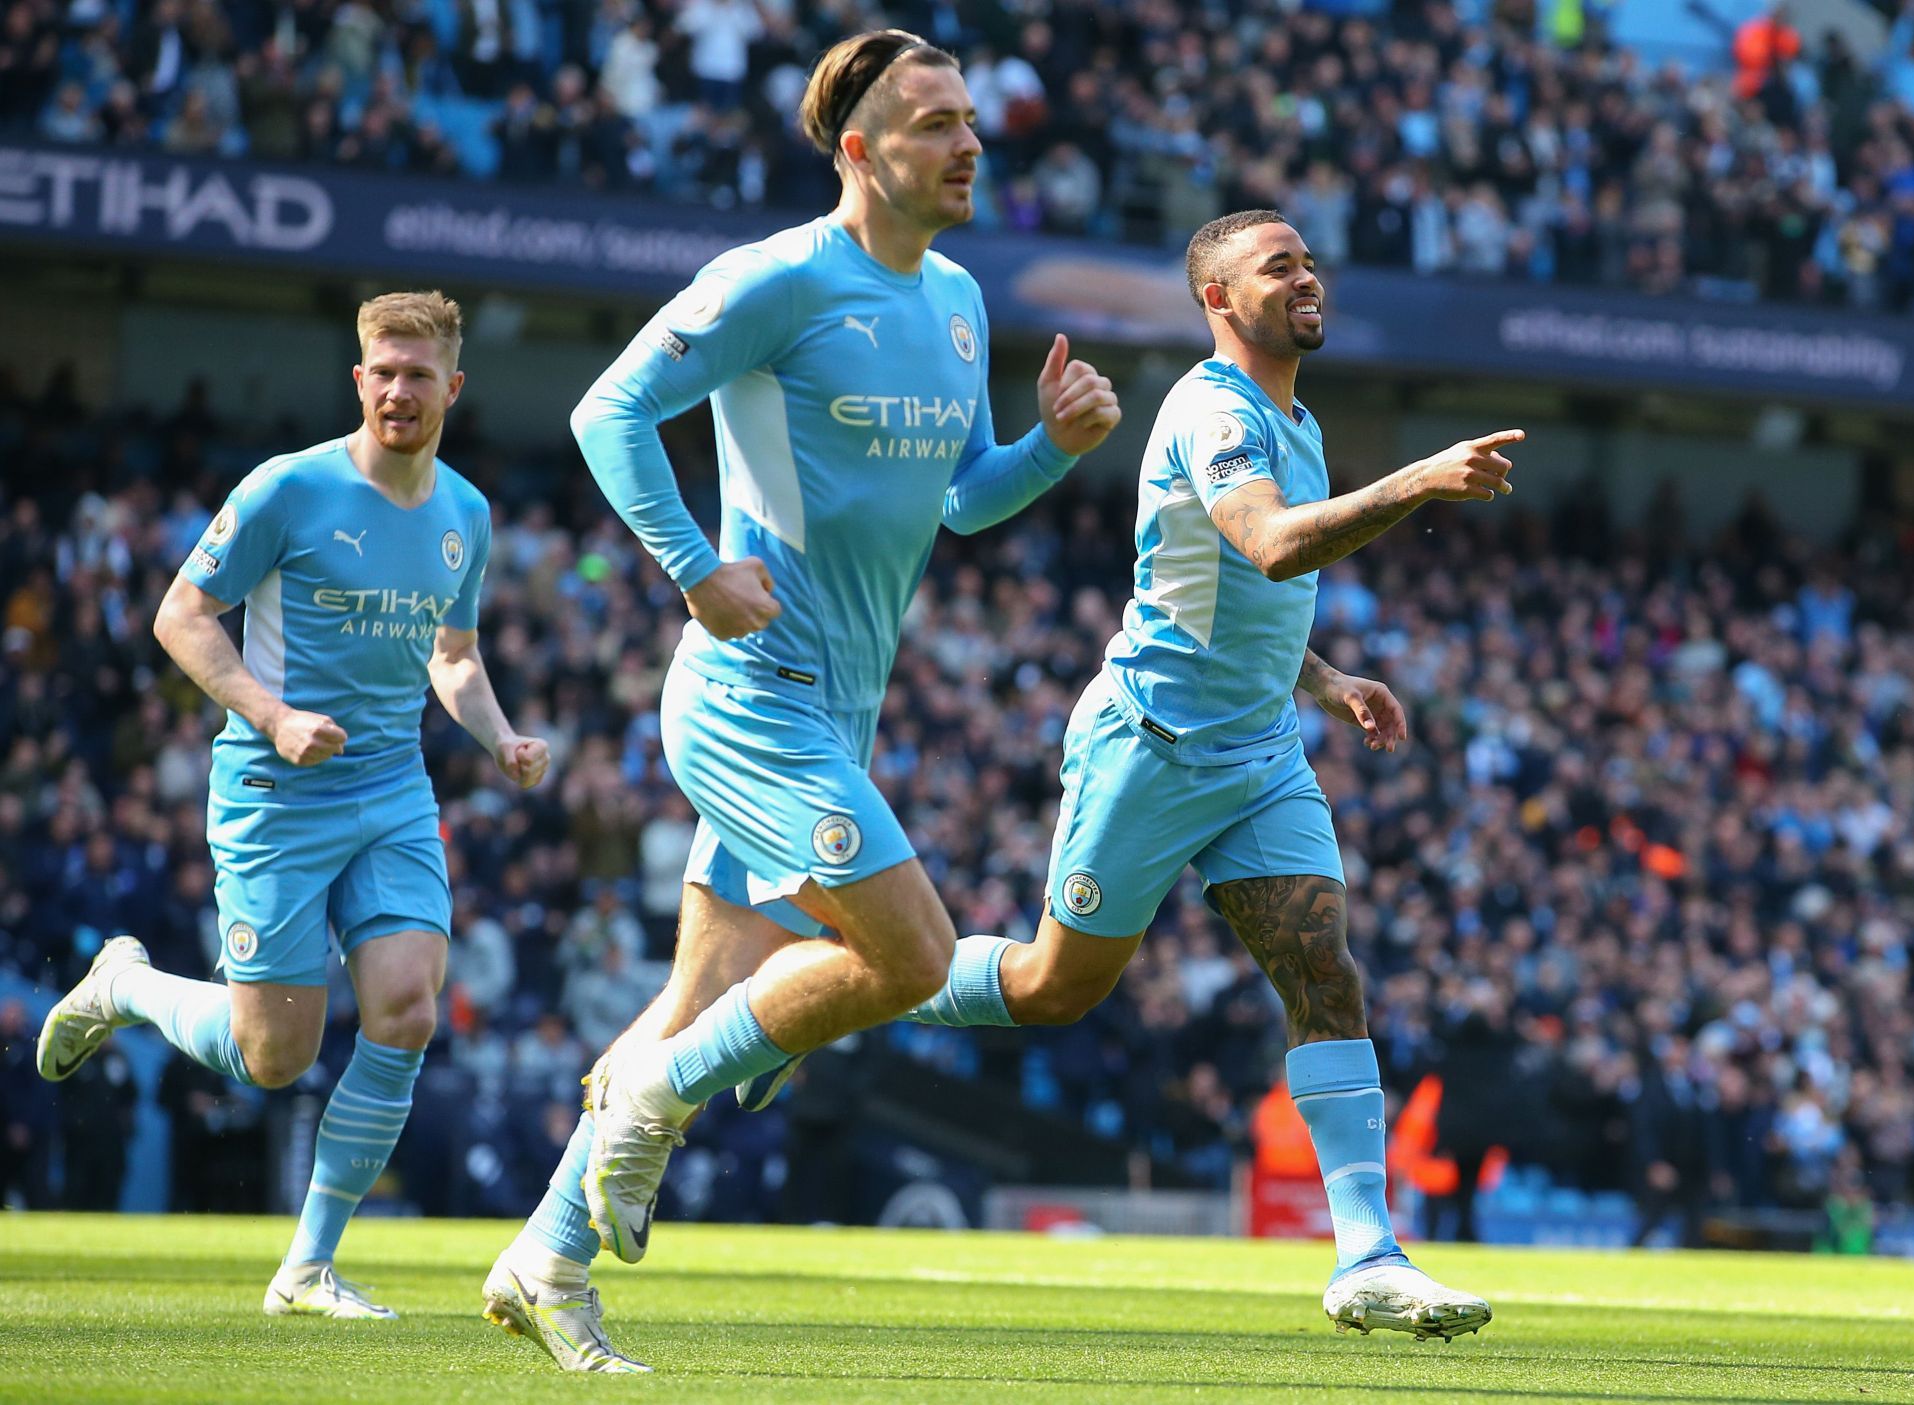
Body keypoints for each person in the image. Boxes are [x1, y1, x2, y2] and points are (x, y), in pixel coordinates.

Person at [480, 28, 1119, 1374]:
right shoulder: (779, 278)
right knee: (899, 955)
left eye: (970, 122)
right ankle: (649, 1098)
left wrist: (1049, 450)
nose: (968, 143)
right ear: (859, 148)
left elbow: (958, 501)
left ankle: (544, 1256)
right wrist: (697, 569)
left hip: (838, 711)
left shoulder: (955, 301)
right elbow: (612, 411)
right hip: (745, 697)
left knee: (702, 1002)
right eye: (934, 121)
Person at [828, 209, 1519, 1337]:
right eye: (1276, 265)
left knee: (1323, 972)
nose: (1306, 277)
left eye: (1308, 260)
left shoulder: (1293, 416)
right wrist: (1422, 480)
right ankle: (857, 986)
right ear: (1217, 300)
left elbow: (1238, 596)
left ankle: (1368, 1256)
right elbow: (1272, 544)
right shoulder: (1210, 407)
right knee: (1058, 987)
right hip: (1148, 748)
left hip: (1258, 753)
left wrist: (1329, 677)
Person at [36, 291, 549, 1319]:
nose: (400, 391)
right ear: (358, 380)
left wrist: (496, 735)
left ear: (454, 386)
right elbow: (181, 615)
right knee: (276, 1057)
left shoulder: (467, 514)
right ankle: (126, 984)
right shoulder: (288, 489)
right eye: (383, 373)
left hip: (393, 786)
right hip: (276, 788)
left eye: (420, 375)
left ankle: (308, 1266)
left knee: (407, 1006)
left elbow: (454, 655)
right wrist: (271, 716)